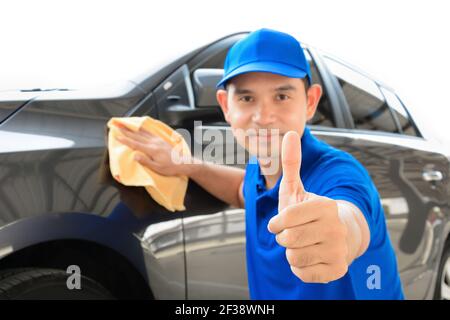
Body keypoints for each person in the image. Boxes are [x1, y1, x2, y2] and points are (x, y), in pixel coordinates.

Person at [115, 28, 404, 299]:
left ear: (311, 101)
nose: (263, 116)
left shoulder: (337, 172)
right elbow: (243, 190)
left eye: (281, 96)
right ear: (226, 106)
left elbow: (349, 215)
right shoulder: (259, 167)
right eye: (246, 98)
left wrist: (342, 233)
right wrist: (186, 164)